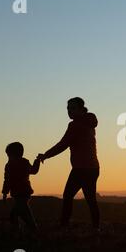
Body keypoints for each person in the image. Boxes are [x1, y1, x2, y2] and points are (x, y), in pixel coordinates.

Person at [37, 97, 100, 229]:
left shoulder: (75, 125)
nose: (69, 111)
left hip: (81, 168)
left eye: (72, 108)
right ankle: (96, 228)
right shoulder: (89, 122)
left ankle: (64, 226)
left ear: (81, 109)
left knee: (68, 196)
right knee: (90, 200)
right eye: (68, 109)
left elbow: (63, 144)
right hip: (93, 167)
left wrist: (46, 155)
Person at [2, 142, 41, 232]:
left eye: (9, 155)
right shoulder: (10, 166)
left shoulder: (22, 163)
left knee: (15, 214)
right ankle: (32, 228)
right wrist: (4, 192)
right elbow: (7, 180)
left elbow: (33, 171)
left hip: (23, 193)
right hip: (19, 194)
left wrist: (37, 161)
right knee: (24, 212)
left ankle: (21, 229)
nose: (8, 158)